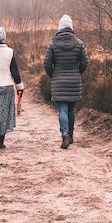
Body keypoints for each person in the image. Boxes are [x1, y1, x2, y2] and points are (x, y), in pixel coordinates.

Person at [43, 14, 89, 149]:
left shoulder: (52, 43)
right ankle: (71, 135)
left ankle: (64, 133)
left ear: (60, 28)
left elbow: (47, 63)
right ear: (71, 27)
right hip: (74, 80)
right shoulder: (79, 43)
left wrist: (53, 74)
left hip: (58, 80)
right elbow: (85, 62)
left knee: (62, 108)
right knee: (71, 109)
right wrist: (77, 72)